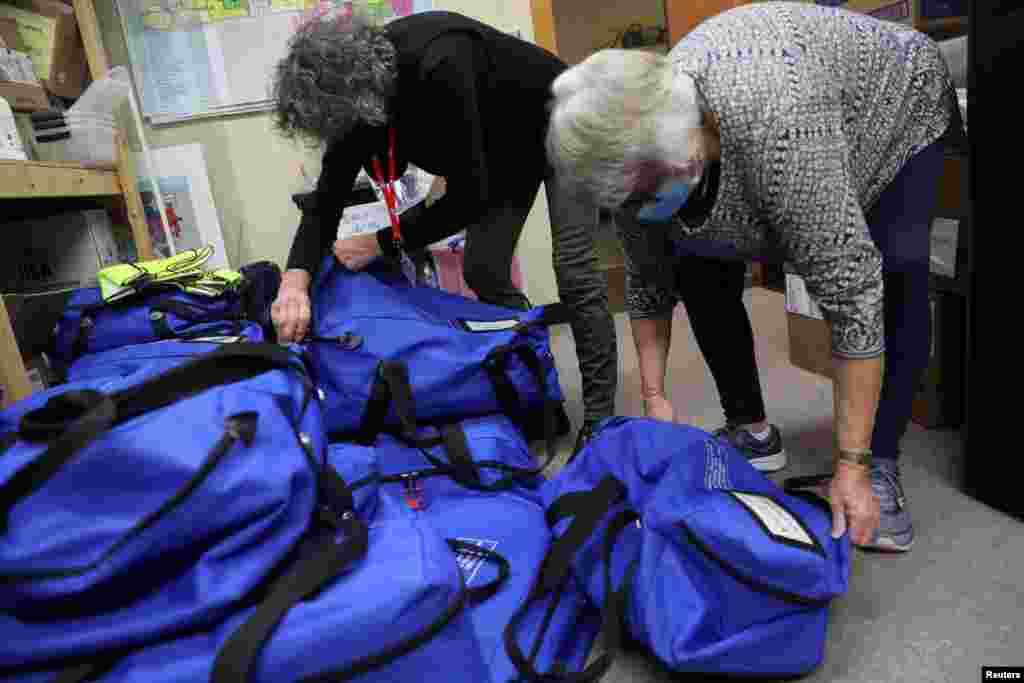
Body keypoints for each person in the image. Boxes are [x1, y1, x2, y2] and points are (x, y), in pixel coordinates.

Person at [545, 1, 964, 552]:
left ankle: (879, 462)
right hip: (777, 106)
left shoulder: (779, 126)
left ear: (688, 149)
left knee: (891, 273)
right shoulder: (637, 156)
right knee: (692, 257)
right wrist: (655, 398)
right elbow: (649, 282)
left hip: (895, 103)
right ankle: (753, 428)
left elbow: (853, 293)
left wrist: (851, 463)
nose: (633, 212)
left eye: (643, 195)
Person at [269, 10, 617, 452]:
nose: (337, 136)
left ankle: (603, 420)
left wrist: (380, 243)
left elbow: (471, 197)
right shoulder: (354, 107)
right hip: (504, 142)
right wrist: (294, 279)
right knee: (485, 270)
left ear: (359, 96)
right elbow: (324, 204)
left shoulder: (441, 62)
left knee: (574, 269)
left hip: (562, 119)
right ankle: (534, 375)